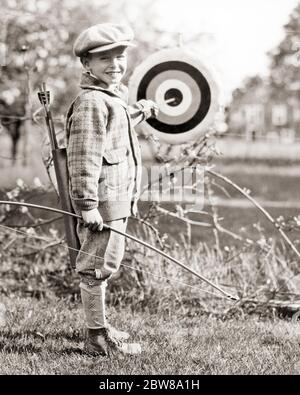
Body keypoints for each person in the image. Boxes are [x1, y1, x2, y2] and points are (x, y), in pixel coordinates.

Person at [66, 23, 158, 356]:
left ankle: (100, 327)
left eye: (120, 56)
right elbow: (83, 157)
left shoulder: (109, 100)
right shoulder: (91, 102)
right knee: (95, 267)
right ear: (86, 64)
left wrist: (142, 111)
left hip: (116, 202)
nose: (115, 64)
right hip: (103, 203)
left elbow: (115, 130)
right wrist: (87, 205)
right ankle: (96, 338)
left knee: (106, 264)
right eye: (104, 58)